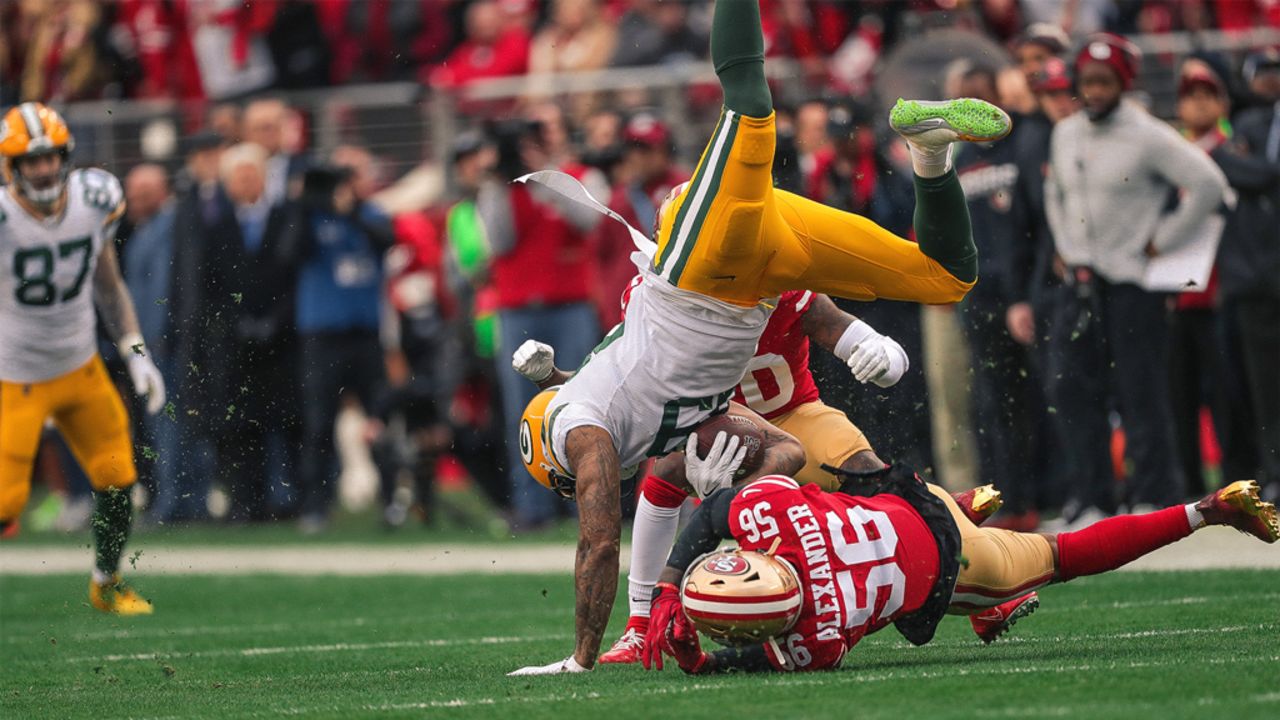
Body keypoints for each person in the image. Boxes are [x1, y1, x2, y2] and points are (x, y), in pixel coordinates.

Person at [507, 0, 1010, 675]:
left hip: (707, 257)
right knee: (945, 276)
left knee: (750, 106)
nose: (581, 486)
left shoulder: (582, 431)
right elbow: (776, 442)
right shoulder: (627, 412)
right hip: (767, 267)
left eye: (566, 483)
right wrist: (722, 496)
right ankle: (928, 154)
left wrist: (579, 658)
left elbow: (598, 540)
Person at [640, 466, 1277, 674]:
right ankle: (967, 504)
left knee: (1063, 555)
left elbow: (749, 661)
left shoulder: (815, 641)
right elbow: (719, 507)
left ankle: (1206, 510)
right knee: (836, 474)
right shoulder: (765, 511)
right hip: (918, 495)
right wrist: (671, 582)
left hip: (961, 565)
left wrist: (701, 661)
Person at [1045, 34, 1228, 520]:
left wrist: (1162, 240)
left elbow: (1210, 184)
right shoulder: (1065, 132)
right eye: (1089, 82)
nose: (1096, 90)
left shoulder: (1147, 134)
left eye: (1105, 81)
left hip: (1131, 285)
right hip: (1080, 284)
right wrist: (1066, 245)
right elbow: (1054, 193)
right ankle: (1093, 494)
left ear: (1124, 82)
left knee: (1139, 390)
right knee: (1072, 388)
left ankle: (1151, 493)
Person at [0, 102, 164, 613]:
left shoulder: (94, 200)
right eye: (32, 161)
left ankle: (106, 582)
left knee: (118, 476)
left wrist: (136, 352)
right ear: (12, 167)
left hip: (80, 366)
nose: (45, 170)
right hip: (15, 377)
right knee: (6, 503)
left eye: (51, 158)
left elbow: (109, 284)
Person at [279, 155, 395, 533]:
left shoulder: (370, 215)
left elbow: (387, 241)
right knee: (318, 422)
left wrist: (352, 210)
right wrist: (304, 203)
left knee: (380, 418)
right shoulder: (309, 220)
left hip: (364, 334)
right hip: (322, 335)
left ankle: (392, 500)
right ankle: (315, 504)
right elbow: (288, 253)